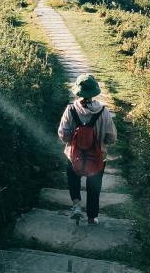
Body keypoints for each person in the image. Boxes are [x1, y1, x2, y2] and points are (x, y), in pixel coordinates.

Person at [58, 73, 117, 225]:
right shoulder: (104, 112)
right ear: (94, 92)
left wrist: (75, 139)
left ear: (78, 91)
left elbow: (63, 135)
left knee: (73, 179)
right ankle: (92, 217)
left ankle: (76, 205)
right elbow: (111, 138)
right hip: (97, 158)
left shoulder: (70, 110)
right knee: (94, 187)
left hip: (74, 155)